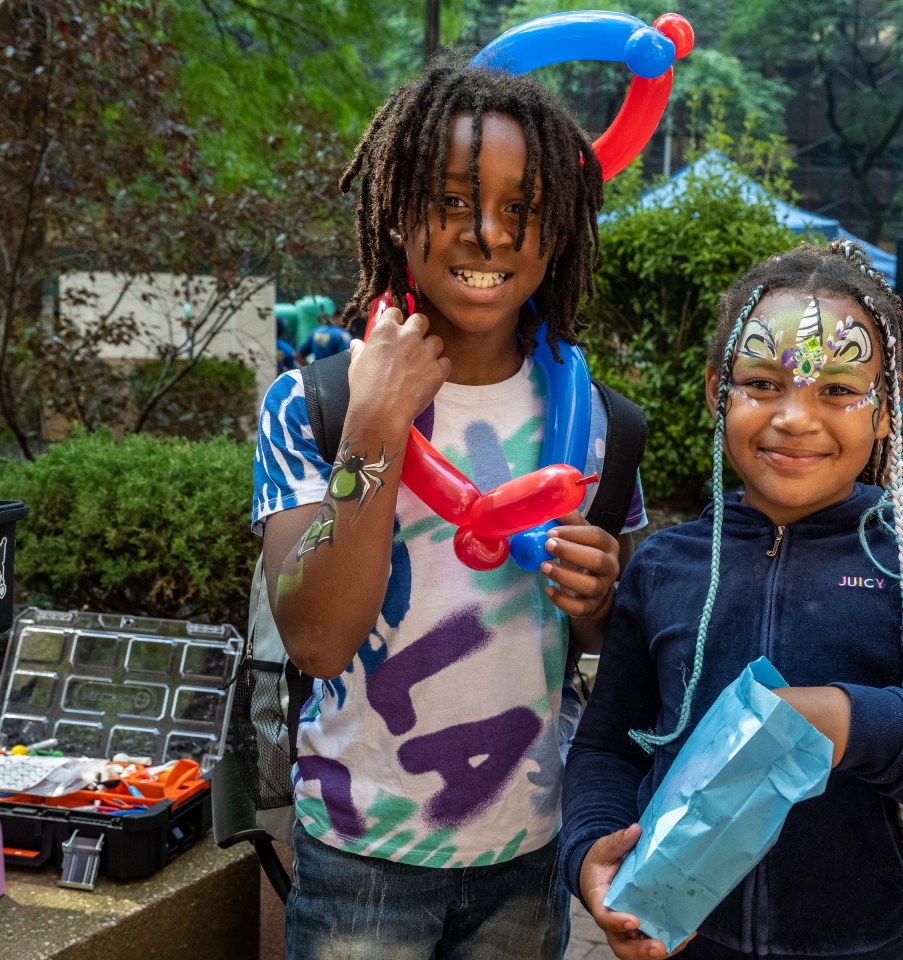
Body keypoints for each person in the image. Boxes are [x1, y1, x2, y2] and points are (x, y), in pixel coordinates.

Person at [252, 60, 646, 960]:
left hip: (527, 859)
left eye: (521, 207)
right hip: (359, 863)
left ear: (558, 230)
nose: (488, 233)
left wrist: (600, 601)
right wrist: (376, 423)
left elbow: (614, 646)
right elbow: (317, 640)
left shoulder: (602, 427)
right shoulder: (311, 405)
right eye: (454, 200)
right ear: (396, 210)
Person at [561, 241, 903, 960]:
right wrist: (590, 853)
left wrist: (862, 724)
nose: (795, 417)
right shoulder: (664, 567)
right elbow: (611, 747)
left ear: (886, 410)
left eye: (838, 390)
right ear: (716, 391)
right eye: (761, 382)